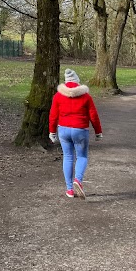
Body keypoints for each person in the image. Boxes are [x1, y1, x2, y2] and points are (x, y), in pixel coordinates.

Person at [48, 68, 103, 199]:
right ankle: (78, 180)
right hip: (80, 130)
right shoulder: (86, 97)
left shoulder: (58, 96)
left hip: (63, 130)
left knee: (68, 157)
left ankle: (70, 190)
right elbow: (93, 115)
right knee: (82, 156)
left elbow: (53, 115)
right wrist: (98, 132)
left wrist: (52, 131)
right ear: (77, 82)